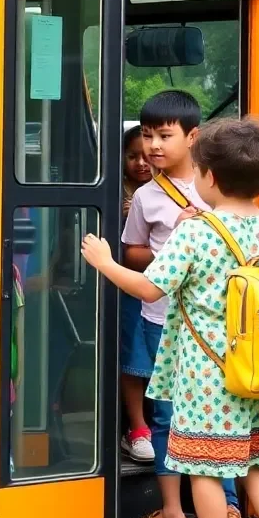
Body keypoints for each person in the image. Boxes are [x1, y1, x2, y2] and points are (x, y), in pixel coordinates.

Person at [81, 116, 259, 518]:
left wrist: (105, 263)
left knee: (205, 469)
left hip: (208, 377)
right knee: (258, 463)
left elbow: (151, 289)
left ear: (208, 177)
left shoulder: (197, 233)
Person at [120, 91, 245, 518]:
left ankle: (229, 509)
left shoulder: (219, 186)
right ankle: (172, 511)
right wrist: (169, 244)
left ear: (193, 137)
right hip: (161, 320)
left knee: (216, 414)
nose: (153, 145)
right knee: (166, 416)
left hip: (214, 322)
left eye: (165, 135)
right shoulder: (146, 197)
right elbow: (133, 250)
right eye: (148, 134)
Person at [120, 125, 154, 462]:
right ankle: (138, 427)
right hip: (132, 291)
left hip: (165, 293)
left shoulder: (173, 192)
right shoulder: (119, 196)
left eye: (146, 157)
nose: (141, 163)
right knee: (133, 361)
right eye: (132, 157)